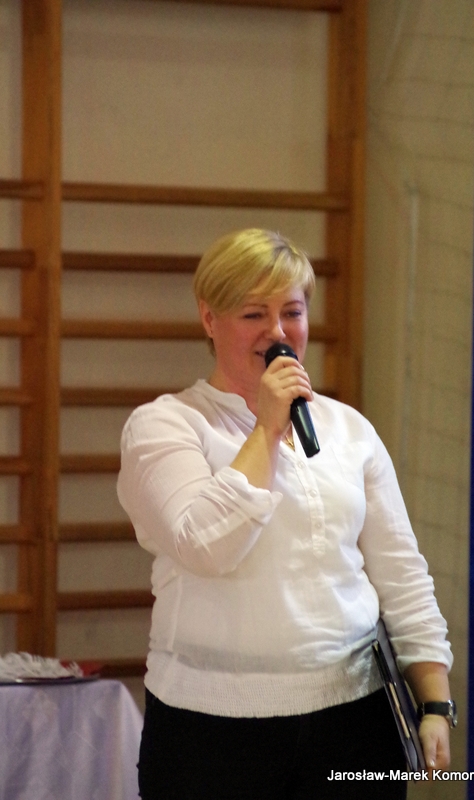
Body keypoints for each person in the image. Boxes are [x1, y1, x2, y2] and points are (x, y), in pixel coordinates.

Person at [117, 228, 454, 800]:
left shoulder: (349, 429)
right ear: (209, 318)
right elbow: (205, 545)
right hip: (210, 734)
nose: (277, 332)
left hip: (355, 718)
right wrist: (267, 428)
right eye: (254, 314)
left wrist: (435, 703)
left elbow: (401, 573)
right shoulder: (166, 425)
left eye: (292, 312)